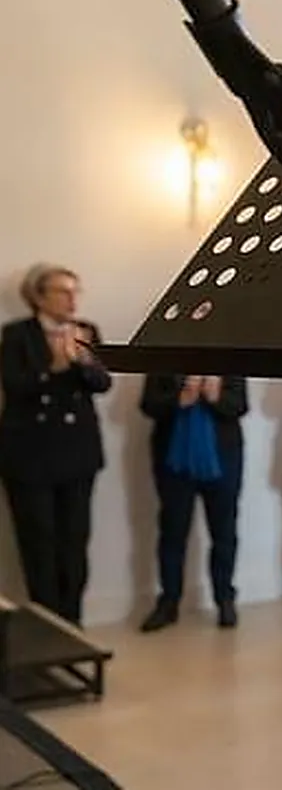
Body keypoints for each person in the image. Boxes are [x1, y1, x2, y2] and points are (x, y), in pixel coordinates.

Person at [0, 264, 111, 625]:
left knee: (74, 544)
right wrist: (55, 368)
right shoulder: (16, 335)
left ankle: (73, 626)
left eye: (75, 291)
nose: (72, 299)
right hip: (29, 455)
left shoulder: (86, 331)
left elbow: (101, 383)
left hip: (78, 452)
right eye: (63, 291)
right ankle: (46, 631)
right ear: (38, 296)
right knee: (39, 546)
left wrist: (81, 364)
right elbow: (15, 388)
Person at [137, 373, 251, 631]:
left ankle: (224, 599)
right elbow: (148, 405)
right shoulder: (163, 356)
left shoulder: (230, 357)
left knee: (224, 532)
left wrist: (215, 397)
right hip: (173, 462)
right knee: (172, 533)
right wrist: (180, 399)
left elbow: (240, 405)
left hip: (223, 459)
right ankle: (169, 602)